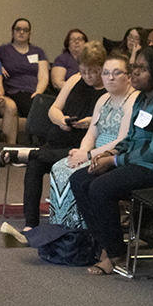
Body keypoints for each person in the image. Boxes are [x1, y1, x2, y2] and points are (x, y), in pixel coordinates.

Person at [69, 46, 153, 276]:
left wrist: (114, 161)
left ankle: (114, 253)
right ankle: (105, 245)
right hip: (140, 163)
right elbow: (130, 138)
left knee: (101, 187)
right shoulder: (143, 98)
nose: (135, 73)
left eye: (142, 69)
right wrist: (109, 154)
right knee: (80, 179)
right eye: (134, 67)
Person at [17, 41, 108, 230]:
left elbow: (112, 120)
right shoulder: (75, 80)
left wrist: (90, 122)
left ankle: (28, 153)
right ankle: (30, 224)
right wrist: (62, 120)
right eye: (84, 71)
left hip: (82, 146)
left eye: (93, 72)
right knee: (35, 165)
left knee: (38, 157)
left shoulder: (110, 87)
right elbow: (54, 109)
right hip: (59, 139)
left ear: (102, 68)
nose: (88, 76)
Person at [46, 53, 137, 229]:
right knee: (60, 168)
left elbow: (122, 140)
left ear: (128, 77)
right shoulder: (103, 99)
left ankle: (85, 231)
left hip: (114, 156)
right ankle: (63, 231)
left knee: (75, 175)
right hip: (94, 152)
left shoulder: (133, 100)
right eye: (106, 73)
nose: (110, 77)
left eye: (117, 73)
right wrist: (81, 153)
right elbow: (91, 133)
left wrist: (88, 155)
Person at [0, 18, 49, 118]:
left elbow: (44, 76)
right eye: (18, 29)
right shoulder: (3, 50)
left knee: (54, 107)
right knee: (35, 109)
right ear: (12, 32)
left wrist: (38, 93)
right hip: (16, 91)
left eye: (25, 30)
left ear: (29, 33)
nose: (21, 32)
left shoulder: (38, 51)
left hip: (37, 91)